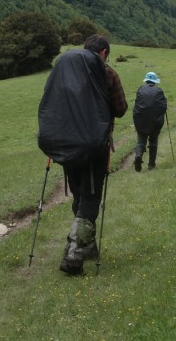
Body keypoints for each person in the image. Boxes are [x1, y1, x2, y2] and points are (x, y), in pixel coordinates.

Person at [37, 35, 127, 276]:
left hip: (64, 145)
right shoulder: (107, 74)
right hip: (92, 146)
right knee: (90, 197)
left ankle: (88, 246)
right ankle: (73, 255)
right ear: (104, 52)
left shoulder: (66, 71)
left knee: (79, 194)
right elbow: (120, 108)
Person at [132, 72, 167, 172]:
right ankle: (151, 165)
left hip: (140, 121)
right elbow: (164, 106)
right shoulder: (159, 91)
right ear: (155, 81)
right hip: (155, 122)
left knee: (141, 139)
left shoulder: (140, 89)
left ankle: (138, 155)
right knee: (153, 140)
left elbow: (136, 104)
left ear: (146, 80)